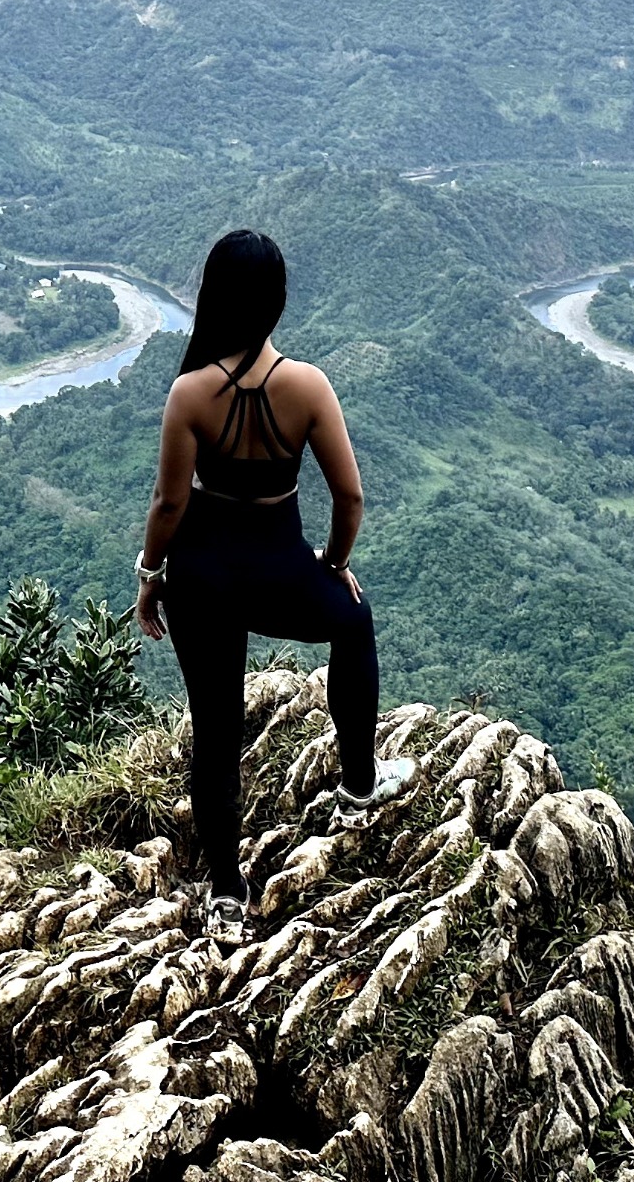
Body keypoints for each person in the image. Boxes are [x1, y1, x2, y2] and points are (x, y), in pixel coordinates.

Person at [135, 229, 417, 943]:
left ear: (212, 299)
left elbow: (169, 506)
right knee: (353, 621)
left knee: (216, 731)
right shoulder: (307, 385)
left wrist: (150, 577)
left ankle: (226, 895)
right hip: (281, 565)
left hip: (202, 580)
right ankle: (359, 785)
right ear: (278, 303)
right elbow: (349, 497)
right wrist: (334, 564)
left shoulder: (190, 392)